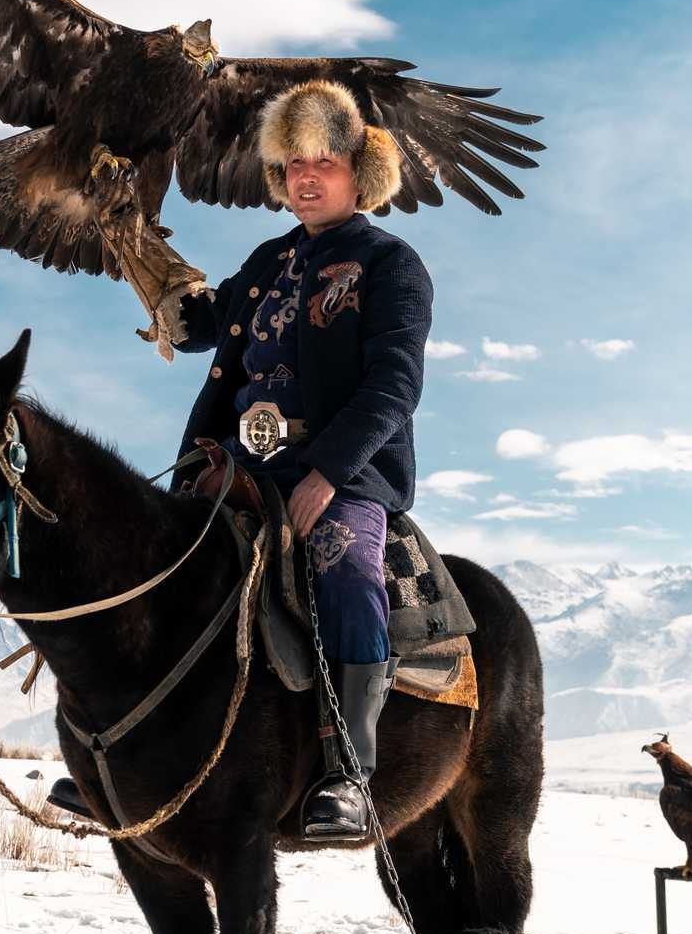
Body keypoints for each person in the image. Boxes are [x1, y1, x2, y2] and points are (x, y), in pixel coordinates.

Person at [51, 80, 432, 839]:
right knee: (143, 566)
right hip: (231, 465)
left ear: (361, 168)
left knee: (349, 569)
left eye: (322, 160)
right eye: (292, 164)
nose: (306, 177)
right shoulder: (267, 260)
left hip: (340, 474)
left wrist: (328, 472)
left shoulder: (391, 264)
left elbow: (395, 384)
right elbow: (203, 326)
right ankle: (118, 764)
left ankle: (348, 771)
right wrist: (138, 251)